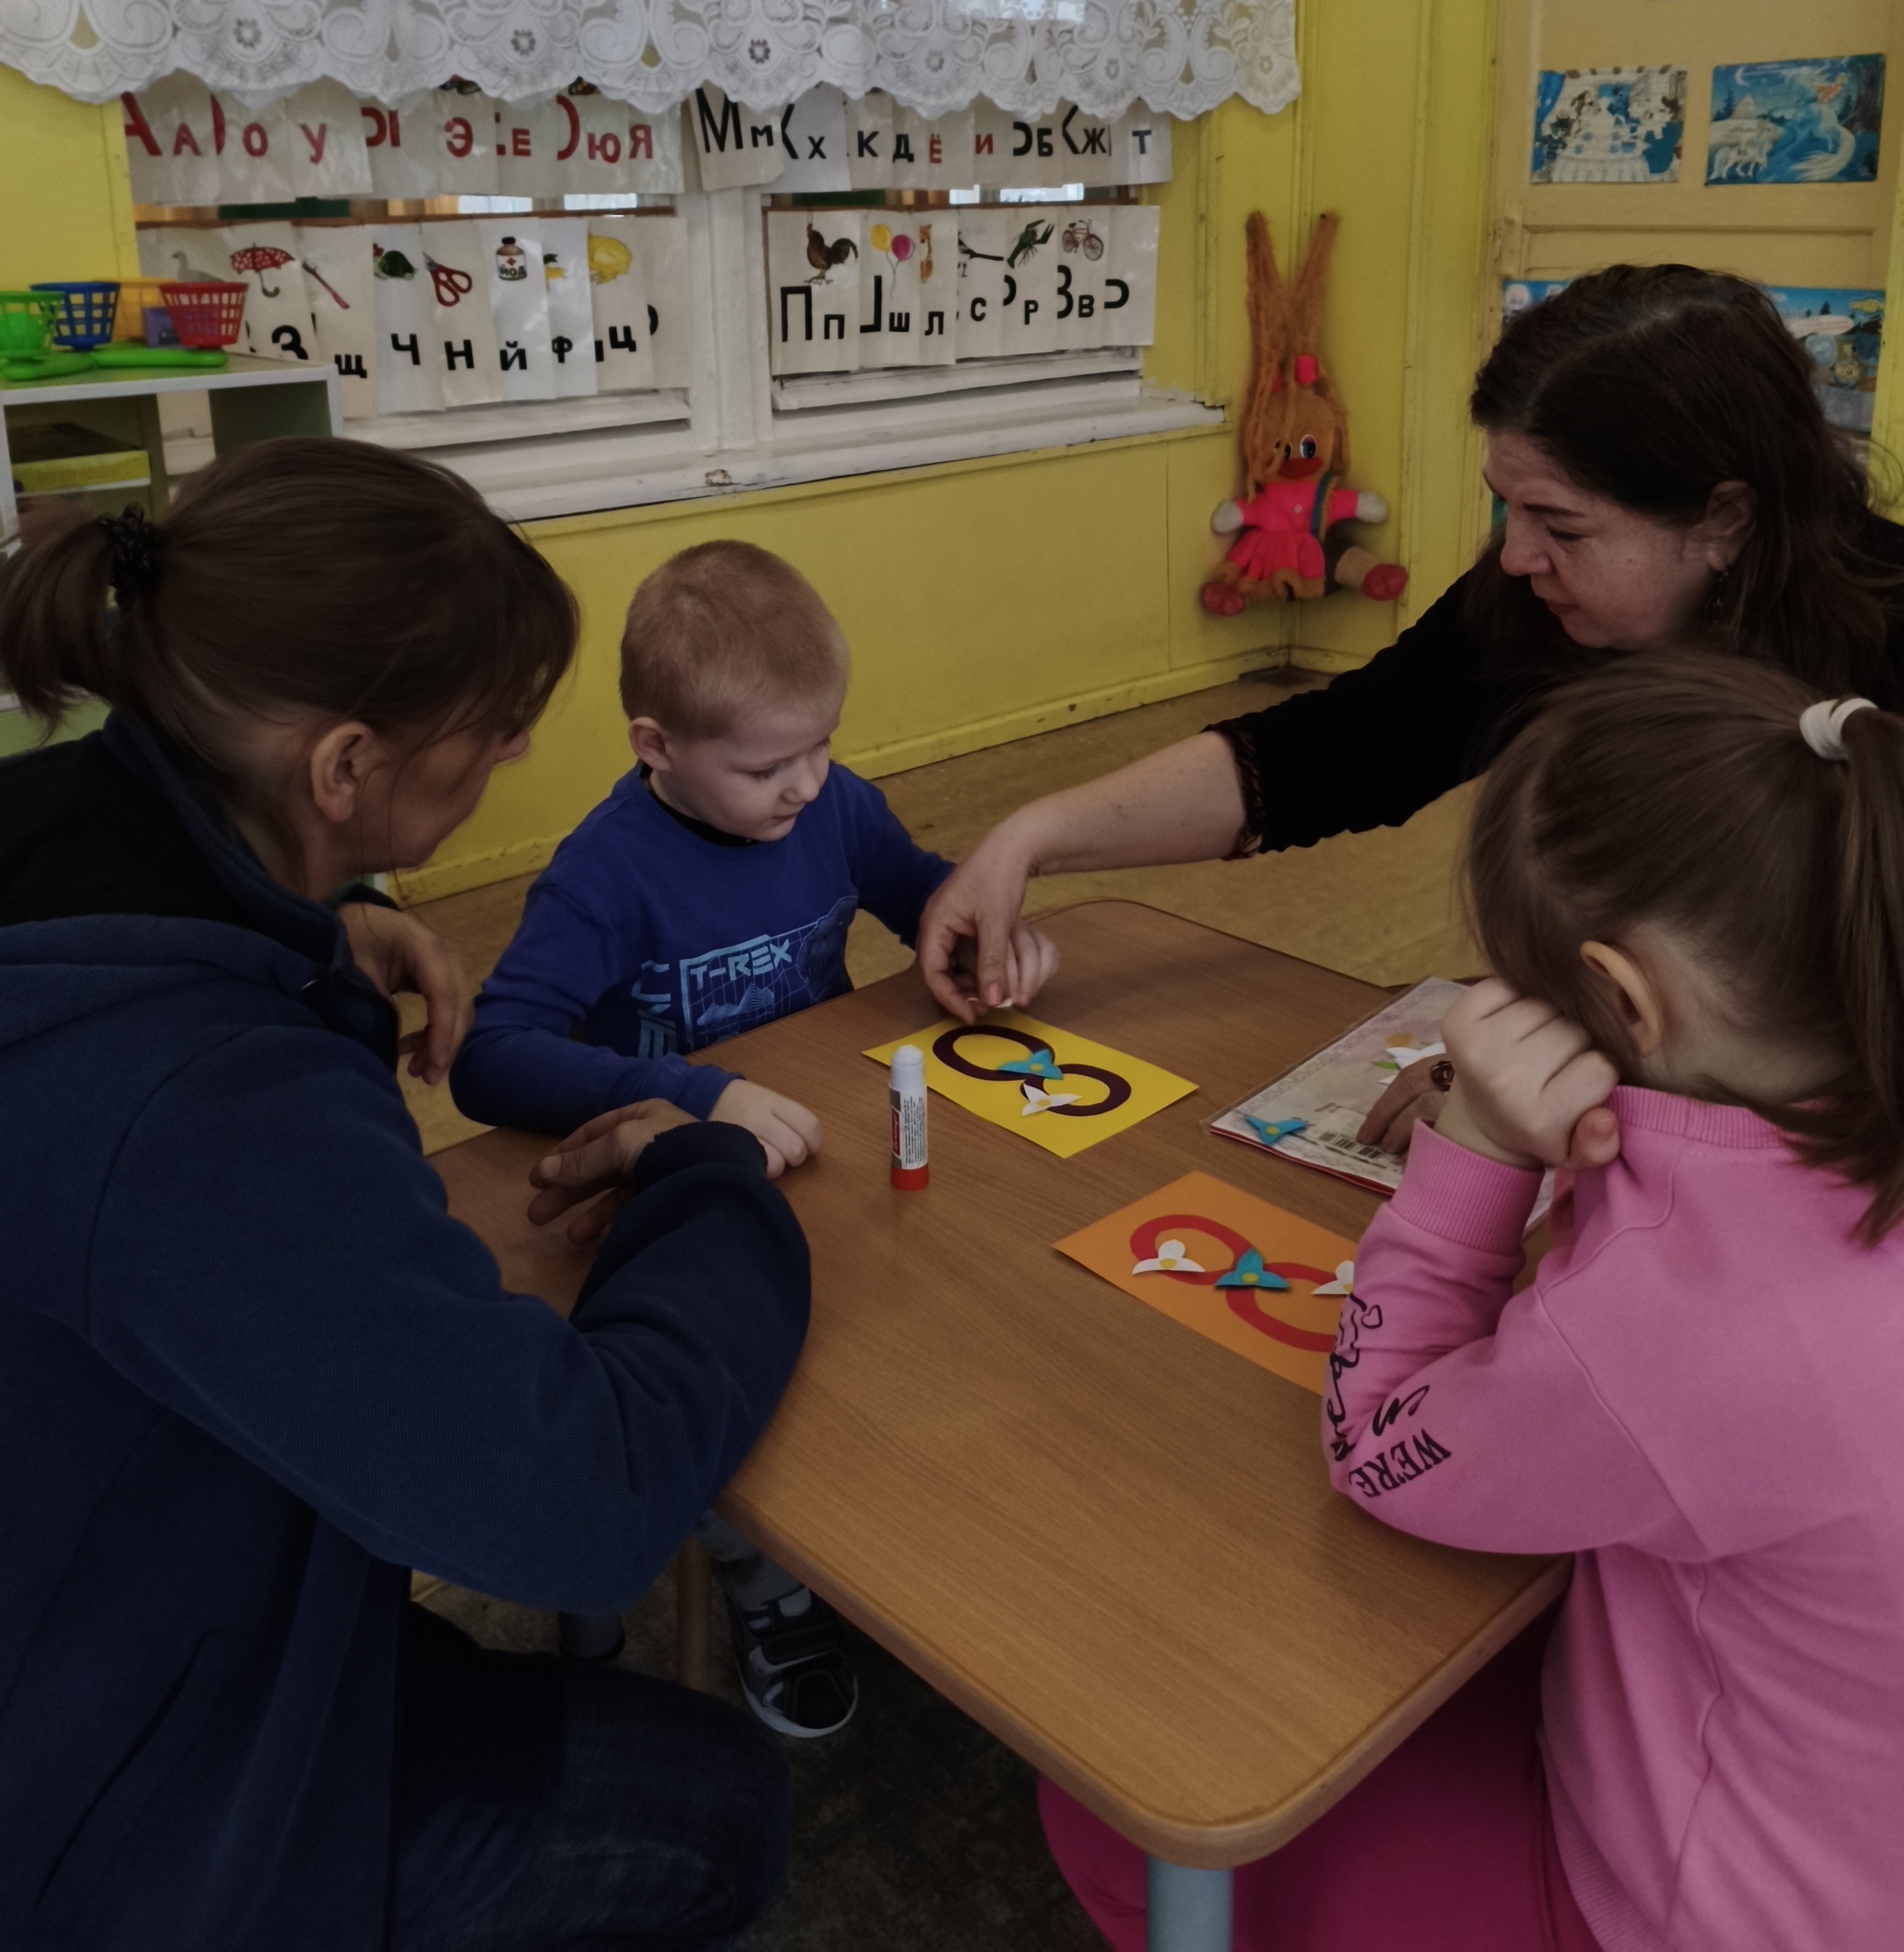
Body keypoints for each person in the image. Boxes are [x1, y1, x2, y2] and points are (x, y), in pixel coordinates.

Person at [0, 441, 809, 1952]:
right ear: (345, 768)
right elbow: (577, 1503)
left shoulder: (62, 822)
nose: (517, 749)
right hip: (87, 1801)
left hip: (83, 1566)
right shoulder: (202, 1104)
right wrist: (704, 1166)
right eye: (494, 727)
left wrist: (324, 921)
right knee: (713, 1803)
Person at [1044, 648, 1904, 1950]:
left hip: (1696, 1914)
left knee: (1121, 1785)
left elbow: (1378, 1443)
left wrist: (1485, 1145)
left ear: (1620, 1000)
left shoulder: (1679, 1334)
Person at [916, 265, 1904, 1142]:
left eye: (1562, 526)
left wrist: (1565, 1077)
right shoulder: (1536, 600)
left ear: (1725, 517)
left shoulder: (1883, 644)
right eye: (1508, 509)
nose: (1517, 557)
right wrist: (1032, 837)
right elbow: (1342, 750)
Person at [453, 537, 1058, 1737]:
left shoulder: (835, 805)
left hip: (818, 1150)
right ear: (656, 746)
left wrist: (986, 930)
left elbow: (920, 889)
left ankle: (864, 1528)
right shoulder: (604, 872)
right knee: (730, 1388)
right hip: (680, 1192)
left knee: (927, 1313)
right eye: (768, 764)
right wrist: (688, 1092)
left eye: (823, 743)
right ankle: (763, 1580)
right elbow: (489, 1053)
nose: (807, 784)